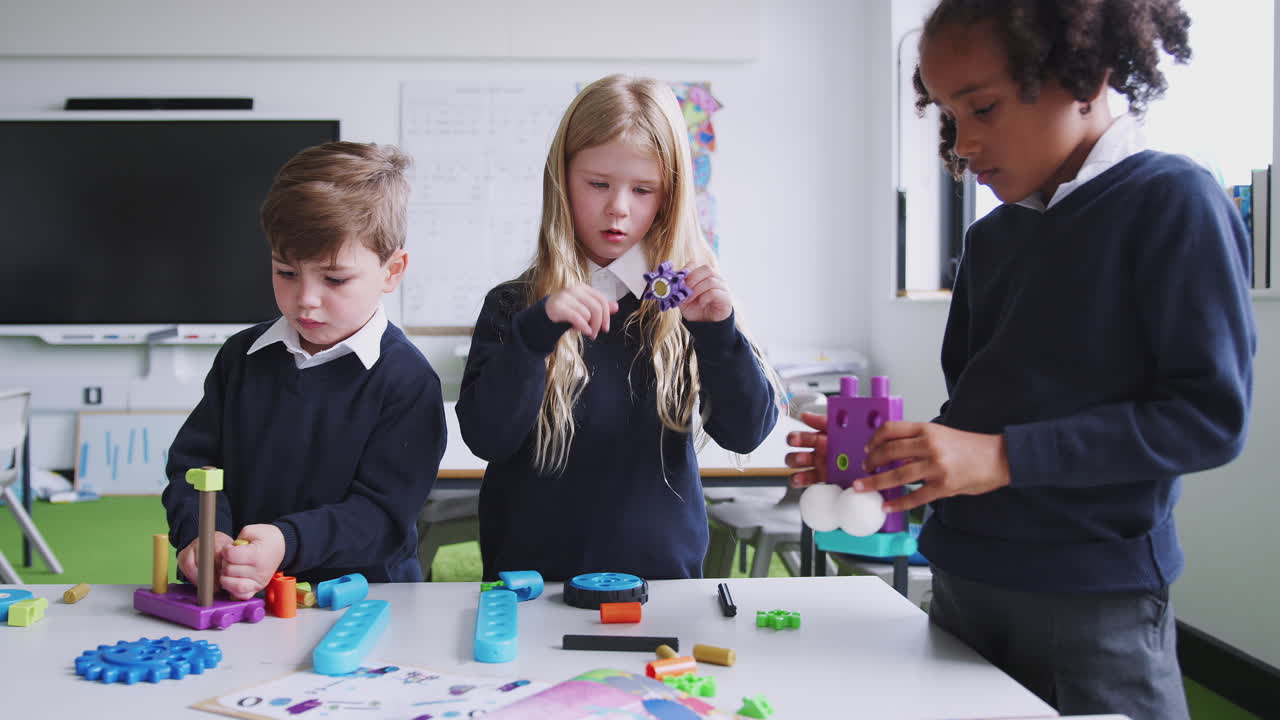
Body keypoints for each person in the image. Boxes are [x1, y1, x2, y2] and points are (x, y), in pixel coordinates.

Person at [786, 2, 1255, 718]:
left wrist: (1003, 457)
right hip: (964, 578)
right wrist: (891, 460)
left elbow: (1207, 420)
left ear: (1085, 77)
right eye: (949, 117)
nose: (963, 144)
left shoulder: (1172, 201)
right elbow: (977, 419)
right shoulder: (992, 239)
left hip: (1092, 601)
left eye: (981, 108)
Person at [457, 74, 782, 581]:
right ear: (561, 181)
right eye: (598, 184)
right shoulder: (514, 306)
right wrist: (535, 335)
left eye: (643, 189)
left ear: (669, 196)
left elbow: (744, 434)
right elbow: (487, 438)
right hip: (533, 584)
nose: (619, 208)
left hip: (661, 584)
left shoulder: (689, 305)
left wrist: (720, 336)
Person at [162, 141, 446, 598]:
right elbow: (192, 466)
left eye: (334, 278)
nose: (306, 298)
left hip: (361, 602)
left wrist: (286, 542)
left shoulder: (407, 382)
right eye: (286, 272)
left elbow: (382, 516)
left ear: (392, 271)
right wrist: (202, 531)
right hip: (243, 598)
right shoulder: (242, 357)